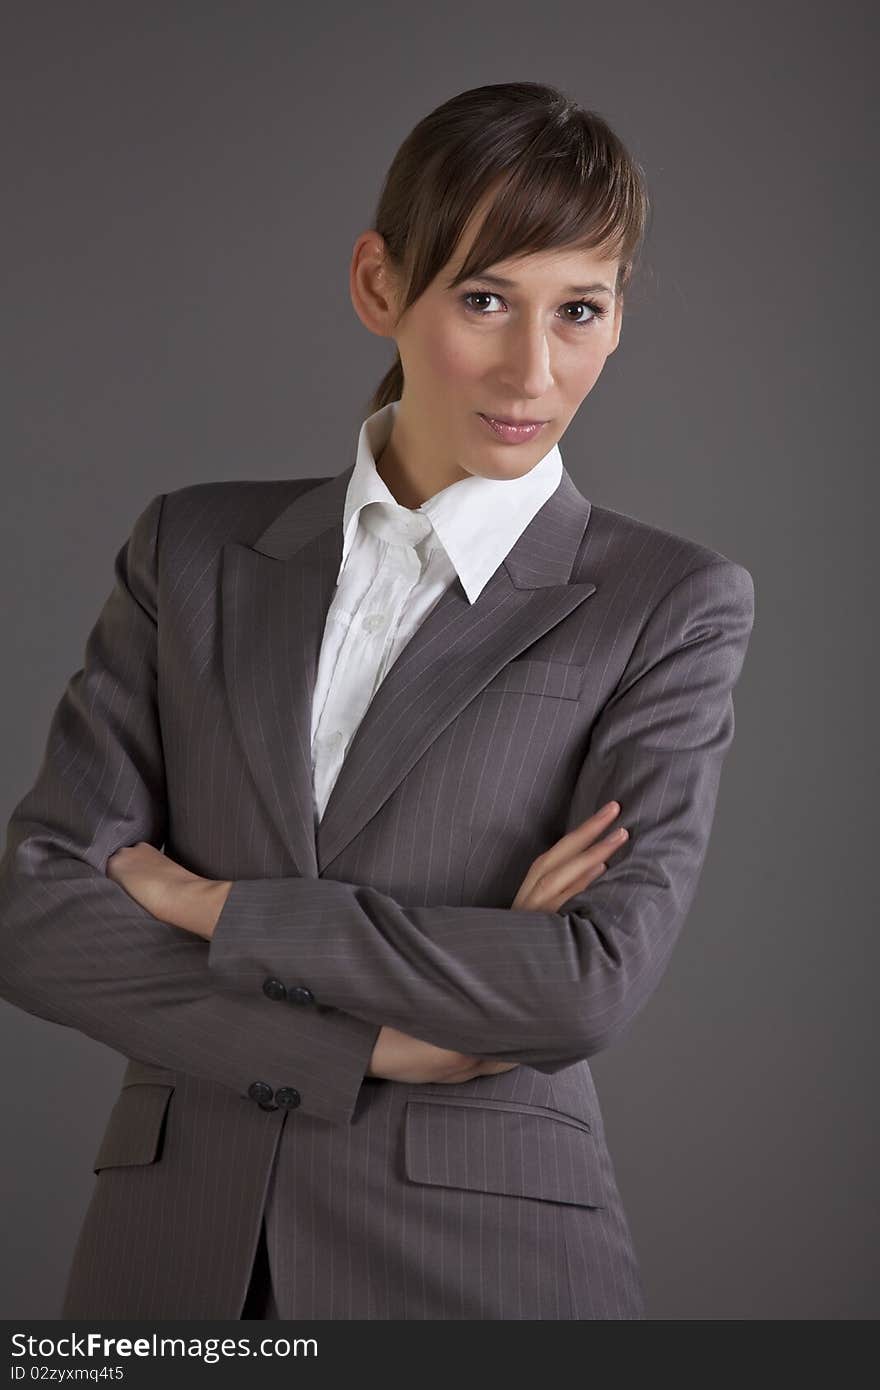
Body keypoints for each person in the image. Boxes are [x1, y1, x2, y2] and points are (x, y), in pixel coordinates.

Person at [0, 81, 755, 1321]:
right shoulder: (189, 550)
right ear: (378, 286)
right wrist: (367, 1045)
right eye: (482, 300)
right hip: (168, 1257)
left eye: (579, 310)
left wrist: (216, 906)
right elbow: (37, 917)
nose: (533, 367)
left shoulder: (665, 603)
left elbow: (582, 982)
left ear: (617, 320)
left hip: (481, 1264)